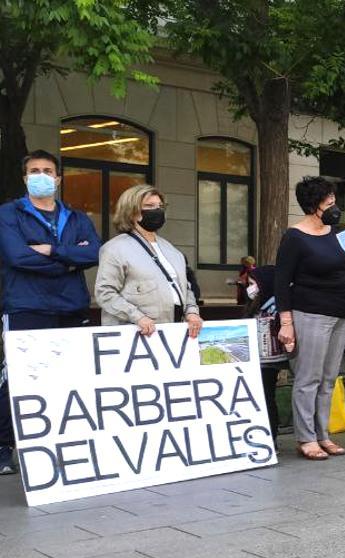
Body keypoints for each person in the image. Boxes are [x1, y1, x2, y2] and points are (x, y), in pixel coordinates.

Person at [0, 149, 102, 475]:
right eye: (34, 170)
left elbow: (95, 253)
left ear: (58, 178)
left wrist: (52, 251)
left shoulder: (77, 217)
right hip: (27, 306)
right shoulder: (8, 214)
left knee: (69, 378)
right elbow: (18, 258)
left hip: (72, 307)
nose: (41, 175)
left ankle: (61, 443)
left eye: (47, 170)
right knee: (19, 379)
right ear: (24, 177)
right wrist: (69, 260)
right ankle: (4, 446)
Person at [275, 176, 345, 460]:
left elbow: (343, 273)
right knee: (308, 378)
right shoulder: (295, 237)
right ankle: (306, 437)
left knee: (328, 379)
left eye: (334, 202)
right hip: (310, 312)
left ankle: (323, 434)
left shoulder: (336, 234)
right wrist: (286, 323)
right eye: (329, 203)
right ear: (313, 205)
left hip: (339, 312)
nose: (334, 208)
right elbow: (281, 281)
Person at [94, 185, 203, 337]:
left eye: (160, 206)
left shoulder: (172, 250)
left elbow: (186, 287)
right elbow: (105, 293)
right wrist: (137, 317)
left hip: (173, 330)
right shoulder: (115, 248)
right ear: (132, 211)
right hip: (136, 333)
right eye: (149, 206)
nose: (157, 211)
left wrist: (192, 312)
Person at [243, 266, 287, 439]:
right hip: (255, 361)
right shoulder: (255, 307)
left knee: (267, 397)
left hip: (269, 362)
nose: (250, 288)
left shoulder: (277, 310)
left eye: (253, 283)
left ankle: (271, 438)